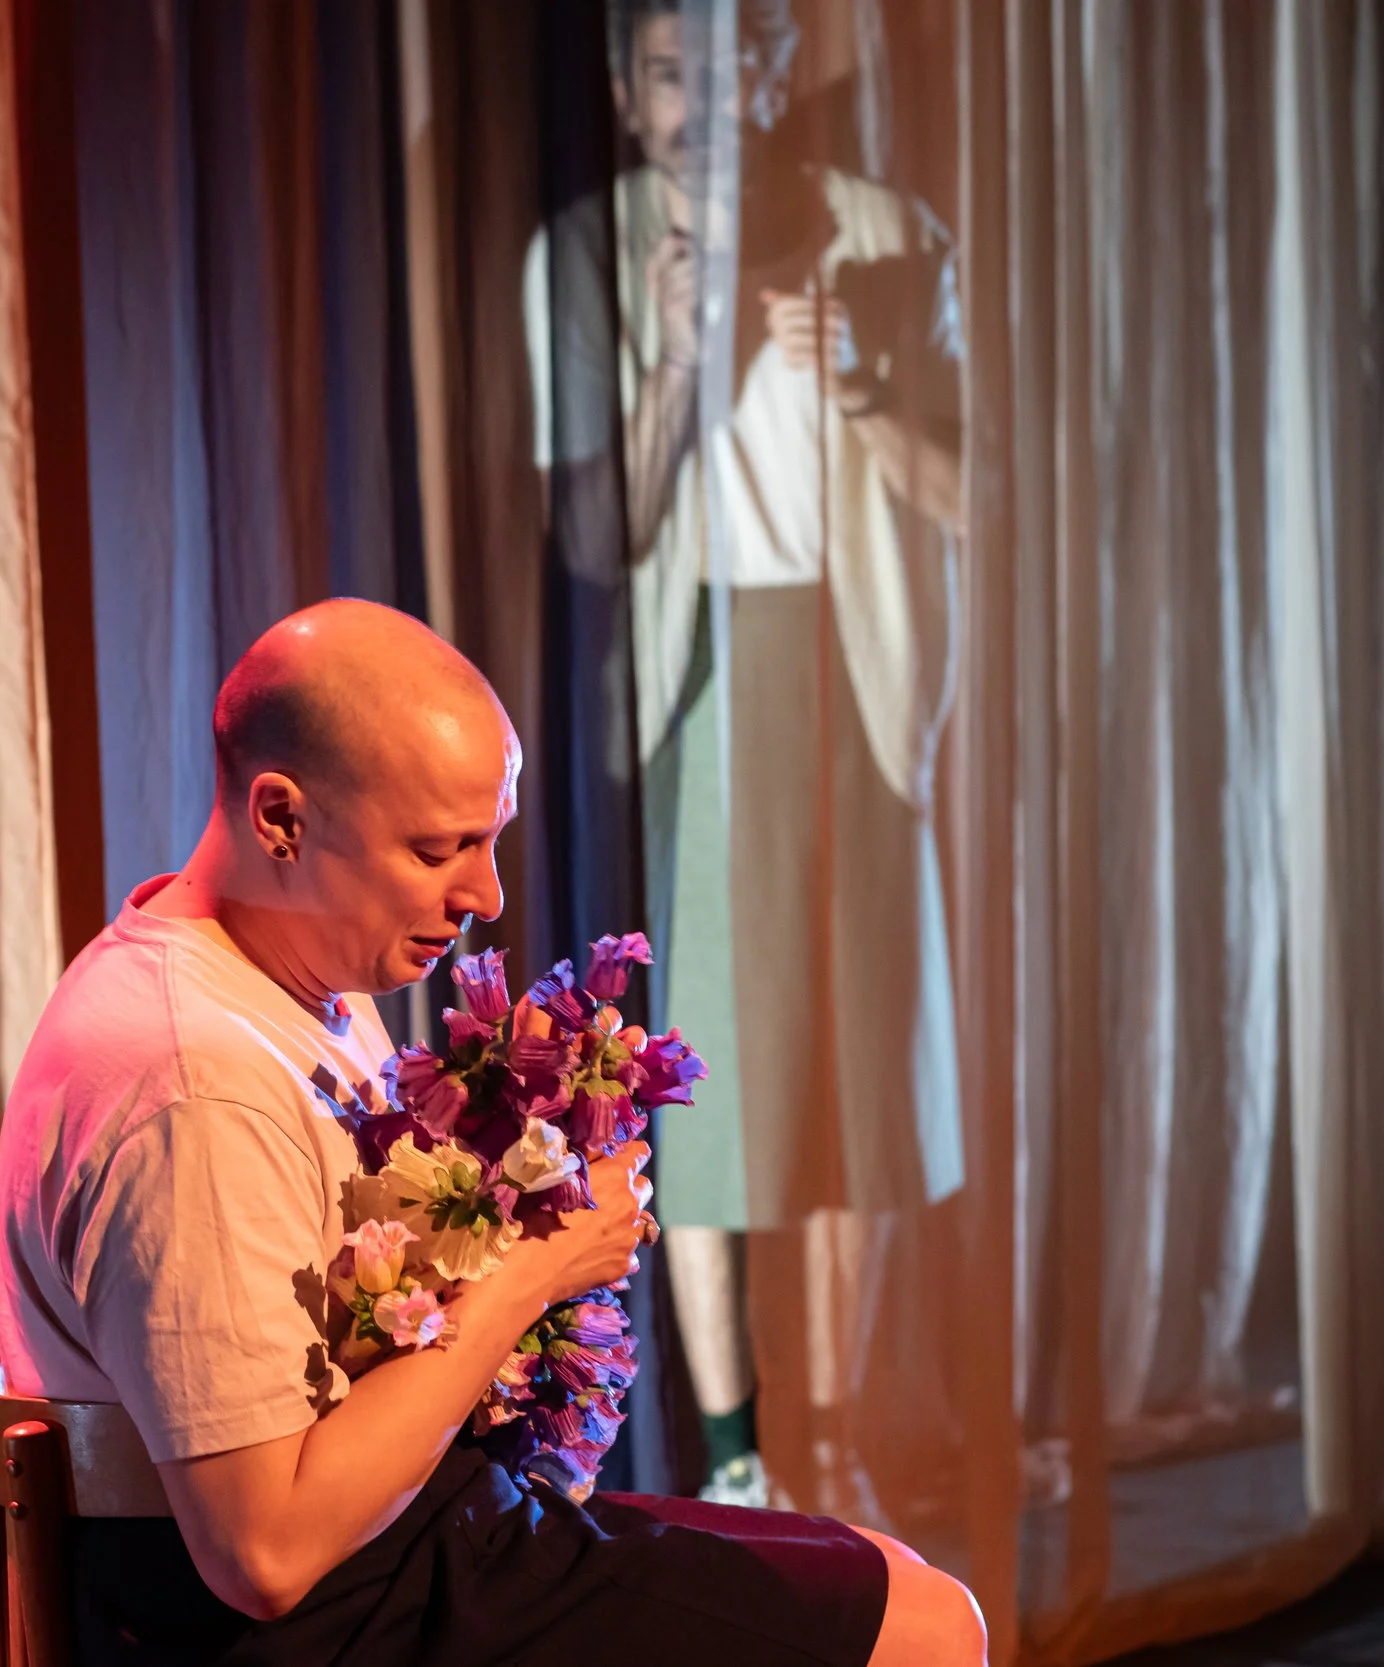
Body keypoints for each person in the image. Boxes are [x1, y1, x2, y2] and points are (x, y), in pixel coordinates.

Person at [0, 599, 985, 1665]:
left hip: (402, 1538)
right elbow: (264, 1553)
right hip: (315, 1616)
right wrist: (530, 1273)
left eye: (491, 839)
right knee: (923, 1634)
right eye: (437, 849)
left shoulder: (272, 974)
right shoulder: (197, 1084)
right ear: (281, 816)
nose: (485, 892)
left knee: (895, 1576)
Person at [524, 0, 969, 1512]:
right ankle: (738, 1455)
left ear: (775, 78)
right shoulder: (590, 255)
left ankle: (838, 1432)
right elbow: (596, 536)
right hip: (693, 691)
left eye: (726, 70)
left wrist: (865, 386)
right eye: (668, 74)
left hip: (852, 677)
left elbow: (981, 496)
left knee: (852, 1080)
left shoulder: (885, 234)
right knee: (703, 1092)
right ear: (625, 91)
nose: (699, 102)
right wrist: (679, 365)